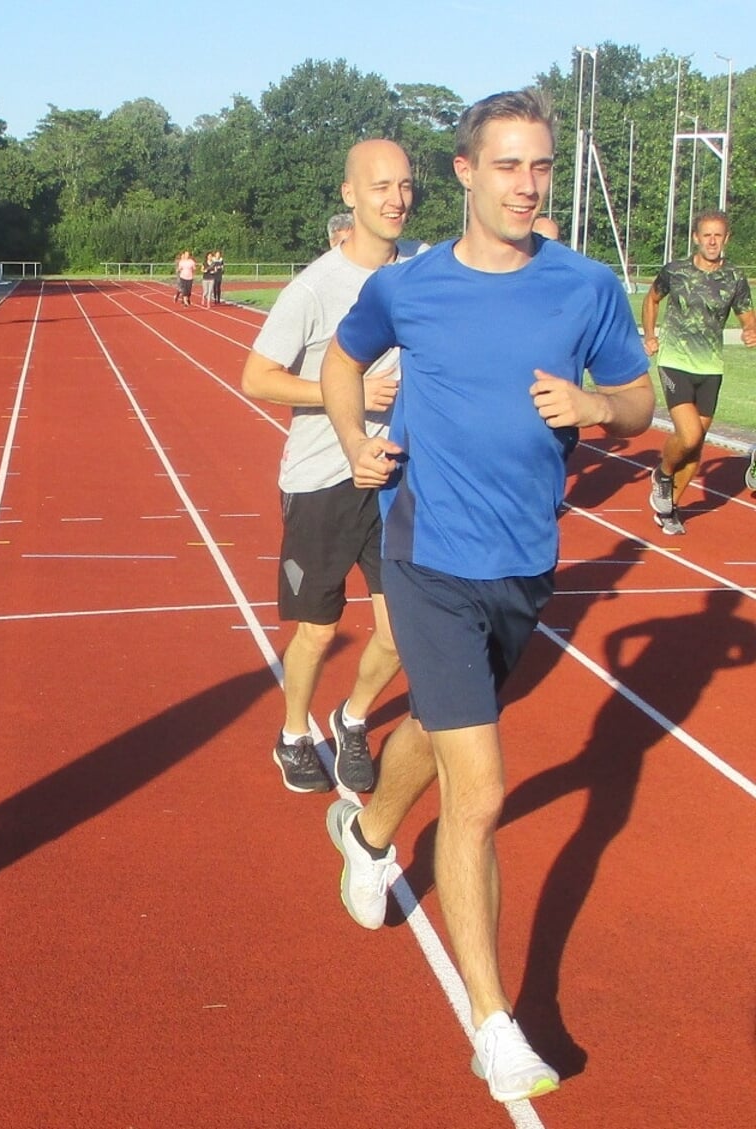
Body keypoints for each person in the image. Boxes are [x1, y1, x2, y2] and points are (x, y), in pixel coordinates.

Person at [320, 90, 652, 1104]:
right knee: (486, 787)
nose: (528, 184)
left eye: (541, 166)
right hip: (425, 552)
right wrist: (352, 444)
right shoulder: (411, 287)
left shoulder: (586, 286)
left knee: (434, 720)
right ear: (465, 171)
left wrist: (596, 405)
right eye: (508, 165)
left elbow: (639, 403)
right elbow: (342, 361)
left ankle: (370, 835)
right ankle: (497, 1024)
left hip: (525, 562)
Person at [242, 139, 422, 795]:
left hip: (396, 476)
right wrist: (343, 392)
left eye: (404, 185)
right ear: (350, 194)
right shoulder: (315, 288)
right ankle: (293, 734)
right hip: (322, 481)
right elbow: (257, 376)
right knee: (318, 632)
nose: (396, 199)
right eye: (380, 187)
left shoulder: (423, 272)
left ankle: (352, 719)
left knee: (400, 631)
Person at [642, 208, 756, 534]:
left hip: (711, 367)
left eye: (718, 235)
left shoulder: (734, 278)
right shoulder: (675, 271)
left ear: (726, 239)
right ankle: (663, 474)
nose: (712, 241)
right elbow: (651, 300)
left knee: (696, 443)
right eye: (706, 235)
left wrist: (751, 330)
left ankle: (670, 507)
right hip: (675, 362)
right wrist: (650, 335)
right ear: (696, 238)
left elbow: (747, 317)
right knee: (688, 434)